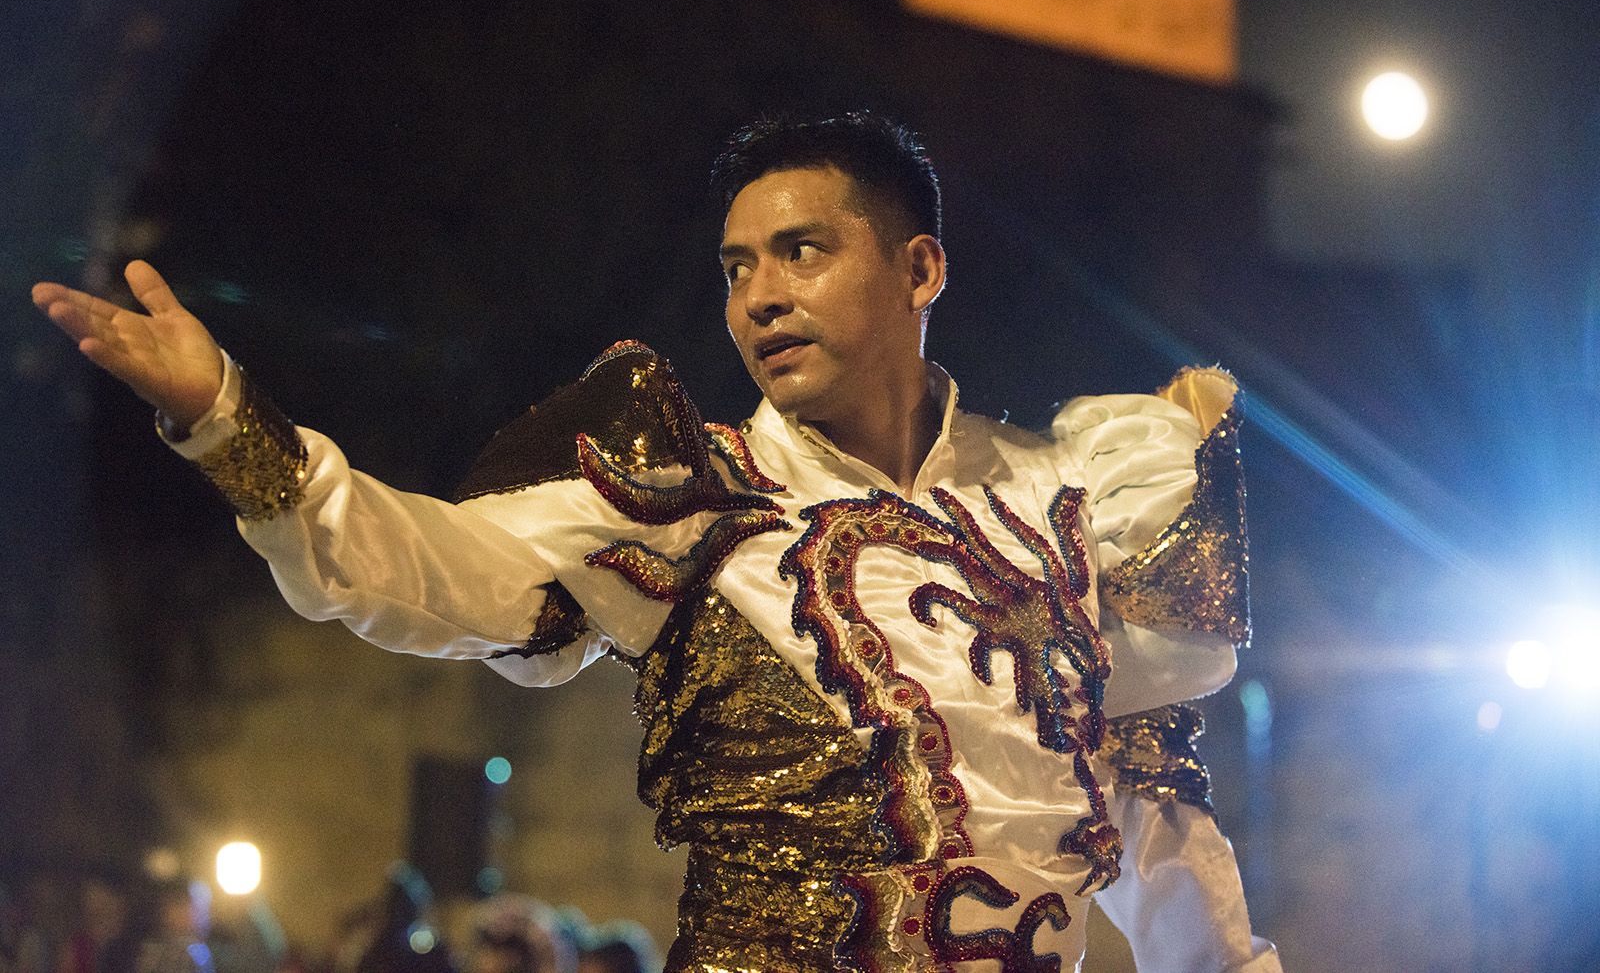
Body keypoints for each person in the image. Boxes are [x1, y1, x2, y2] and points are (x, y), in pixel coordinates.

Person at [33, 112, 1279, 972]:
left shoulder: (1065, 505)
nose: (760, 296)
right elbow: (425, 569)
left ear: (919, 267)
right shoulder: (688, 493)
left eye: (802, 251)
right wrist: (227, 423)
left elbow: (1155, 827)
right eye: (737, 268)